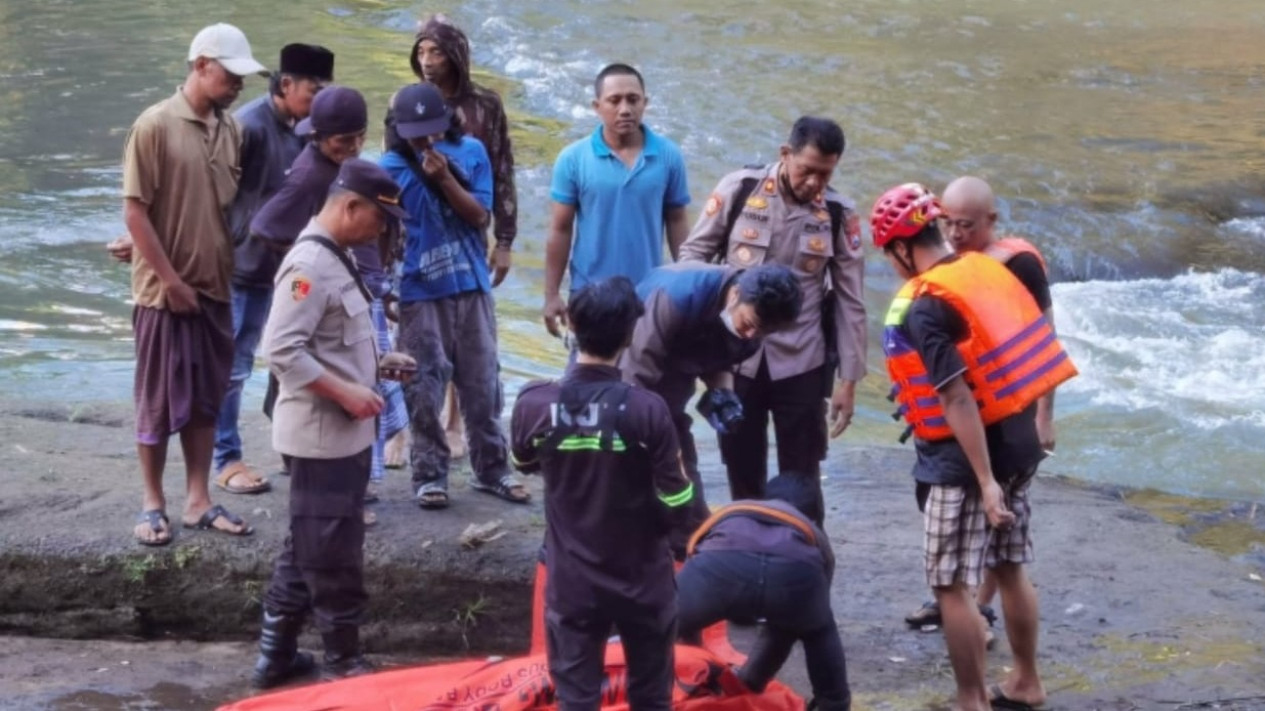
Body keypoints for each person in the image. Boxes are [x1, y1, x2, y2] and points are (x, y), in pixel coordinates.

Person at [871, 183, 1077, 711]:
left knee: (948, 582)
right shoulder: (986, 267)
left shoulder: (925, 303)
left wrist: (984, 482)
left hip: (966, 460)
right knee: (1009, 565)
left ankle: (971, 700)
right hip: (1018, 440)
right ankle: (1027, 682)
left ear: (899, 247)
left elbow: (956, 397)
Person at [252, 158, 412, 688]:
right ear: (351, 207)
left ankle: (274, 659)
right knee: (333, 556)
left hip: (340, 435)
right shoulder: (310, 266)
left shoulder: (336, 256)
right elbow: (281, 349)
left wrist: (377, 367)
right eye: (380, 221)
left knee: (305, 547)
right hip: (321, 437)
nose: (381, 232)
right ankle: (344, 664)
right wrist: (346, 389)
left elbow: (329, 342)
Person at [510, 276, 695, 711]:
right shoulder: (648, 410)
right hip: (643, 580)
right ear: (630, 336)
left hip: (573, 580)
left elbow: (523, 463)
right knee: (651, 697)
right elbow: (678, 501)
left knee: (577, 699)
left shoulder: (533, 404)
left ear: (571, 324)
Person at [678, 116, 866, 525]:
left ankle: (807, 559)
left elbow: (851, 300)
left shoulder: (838, 213)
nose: (815, 183)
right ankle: (746, 550)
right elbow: (692, 258)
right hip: (735, 360)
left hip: (802, 362)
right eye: (807, 170)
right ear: (785, 154)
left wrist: (848, 381)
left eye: (826, 173)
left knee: (802, 476)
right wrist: (719, 306)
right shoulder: (739, 190)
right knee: (741, 465)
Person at [122, 23, 267, 546]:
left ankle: (199, 499)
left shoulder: (230, 130)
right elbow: (136, 211)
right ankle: (152, 502)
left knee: (206, 397)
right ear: (202, 64)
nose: (237, 86)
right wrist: (169, 278)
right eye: (230, 75)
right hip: (164, 294)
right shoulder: (155, 125)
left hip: (214, 286)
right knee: (158, 400)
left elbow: (211, 206)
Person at [903, 176, 1061, 643]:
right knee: (994, 544)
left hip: (1006, 419)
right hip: (969, 414)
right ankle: (969, 607)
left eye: (966, 226)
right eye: (947, 225)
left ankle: (976, 611)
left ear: (991, 221)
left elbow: (1045, 341)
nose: (954, 235)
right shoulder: (954, 268)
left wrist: (1044, 416)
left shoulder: (1017, 265)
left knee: (1002, 543)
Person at [380, 83, 527, 509]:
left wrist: (443, 176)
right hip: (420, 290)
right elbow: (384, 232)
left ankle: (492, 469)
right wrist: (385, 287)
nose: (426, 139)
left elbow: (479, 215)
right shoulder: (389, 168)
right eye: (416, 133)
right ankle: (428, 475)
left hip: (471, 284)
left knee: (482, 384)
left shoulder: (472, 153)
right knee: (423, 385)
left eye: (433, 129)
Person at [396, 13, 522, 462]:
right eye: (422, 52)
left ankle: (457, 423)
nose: (428, 61)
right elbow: (391, 178)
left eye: (437, 52)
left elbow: (503, 171)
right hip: (423, 236)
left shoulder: (484, 106)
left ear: (457, 56)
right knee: (421, 338)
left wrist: (504, 240)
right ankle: (403, 430)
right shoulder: (407, 102)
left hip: (470, 225)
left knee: (472, 336)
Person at [214, 43, 335, 496]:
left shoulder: (306, 130)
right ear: (286, 84)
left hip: (287, 270)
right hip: (243, 268)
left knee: (289, 363)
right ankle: (226, 459)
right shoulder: (248, 126)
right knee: (235, 367)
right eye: (314, 90)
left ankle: (291, 447)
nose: (320, 99)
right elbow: (216, 197)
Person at [621, 263, 802, 554]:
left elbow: (721, 360)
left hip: (675, 381)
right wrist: (655, 442)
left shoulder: (752, 329)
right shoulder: (675, 299)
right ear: (735, 294)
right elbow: (632, 380)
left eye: (763, 331)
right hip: (623, 373)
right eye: (749, 322)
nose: (751, 333)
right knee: (635, 473)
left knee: (687, 503)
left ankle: (687, 550)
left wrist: (723, 392)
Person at [677, 474, 851, 711]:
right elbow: (820, 585)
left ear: (764, 498)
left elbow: (693, 552)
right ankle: (833, 703)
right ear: (811, 513)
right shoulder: (810, 529)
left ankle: (661, 689)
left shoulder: (733, 511)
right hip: (794, 573)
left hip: (721, 568)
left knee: (664, 624)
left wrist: (693, 654)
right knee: (817, 630)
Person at [543, 63, 691, 338]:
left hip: (647, 296)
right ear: (597, 106)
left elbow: (677, 222)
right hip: (588, 295)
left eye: (633, 100)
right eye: (615, 100)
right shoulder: (573, 159)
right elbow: (560, 228)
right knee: (586, 377)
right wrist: (551, 295)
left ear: (645, 103)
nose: (625, 109)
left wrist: (687, 284)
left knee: (644, 377)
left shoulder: (669, 156)